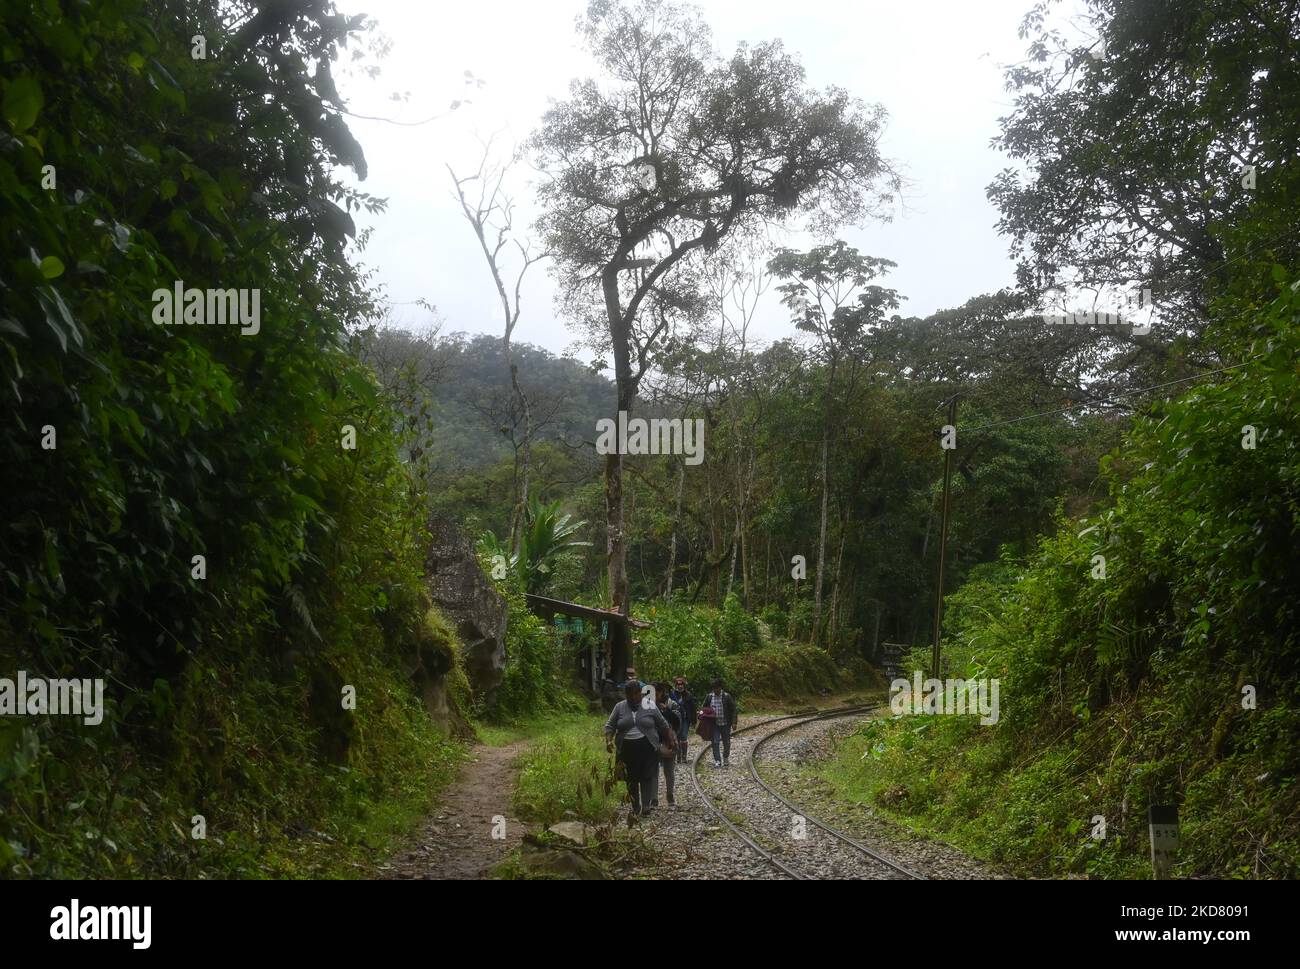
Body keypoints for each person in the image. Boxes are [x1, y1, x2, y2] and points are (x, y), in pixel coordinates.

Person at [605, 680, 675, 817]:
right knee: (631, 779)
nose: (632, 697)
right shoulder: (619, 707)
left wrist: (670, 739)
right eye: (629, 695)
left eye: (635, 694)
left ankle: (646, 806)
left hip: (647, 747)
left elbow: (663, 724)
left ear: (640, 694)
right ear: (625, 694)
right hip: (626, 749)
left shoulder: (650, 705)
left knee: (647, 776)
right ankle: (635, 805)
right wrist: (608, 741)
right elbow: (610, 726)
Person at [652, 682, 681, 809]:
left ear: (661, 692)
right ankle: (653, 799)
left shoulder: (671, 703)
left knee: (669, 772)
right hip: (652, 742)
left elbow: (678, 721)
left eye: (657, 693)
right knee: (653, 772)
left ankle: (670, 796)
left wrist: (666, 710)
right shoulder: (646, 705)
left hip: (668, 742)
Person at [703, 678, 737, 768]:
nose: (715, 690)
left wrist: (734, 722)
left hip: (725, 723)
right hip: (714, 724)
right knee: (715, 742)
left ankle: (725, 757)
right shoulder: (709, 697)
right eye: (713, 688)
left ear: (720, 687)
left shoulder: (727, 696)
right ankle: (717, 760)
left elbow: (733, 709)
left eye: (716, 688)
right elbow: (704, 708)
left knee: (726, 742)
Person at [668, 677, 696, 764]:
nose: (680, 686)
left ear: (684, 685)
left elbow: (692, 708)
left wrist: (694, 721)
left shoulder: (688, 695)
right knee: (677, 737)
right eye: (678, 684)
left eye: (681, 684)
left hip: (685, 719)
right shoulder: (672, 695)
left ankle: (684, 757)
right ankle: (678, 757)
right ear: (676, 685)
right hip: (675, 719)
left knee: (683, 736)